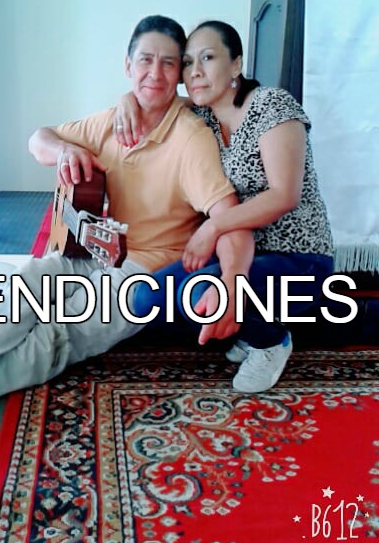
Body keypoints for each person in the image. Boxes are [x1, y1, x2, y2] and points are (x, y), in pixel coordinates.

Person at [0, 15, 254, 423]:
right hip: (94, 252)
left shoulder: (190, 139)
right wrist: (64, 151)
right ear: (128, 65)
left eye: (168, 63)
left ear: (178, 75)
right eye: (145, 60)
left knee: (58, 332)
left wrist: (232, 286)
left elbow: (232, 218)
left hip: (142, 271)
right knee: (31, 279)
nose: (155, 73)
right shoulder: (112, 120)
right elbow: (39, 139)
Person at [114, 20, 334, 393]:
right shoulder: (204, 116)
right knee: (146, 296)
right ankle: (248, 324)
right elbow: (156, 99)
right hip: (240, 251)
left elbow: (284, 195)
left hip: (300, 257)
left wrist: (213, 227)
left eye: (208, 58)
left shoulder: (271, 105)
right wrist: (126, 100)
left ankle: (271, 341)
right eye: (187, 63)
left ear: (236, 64)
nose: (195, 72)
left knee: (203, 291)